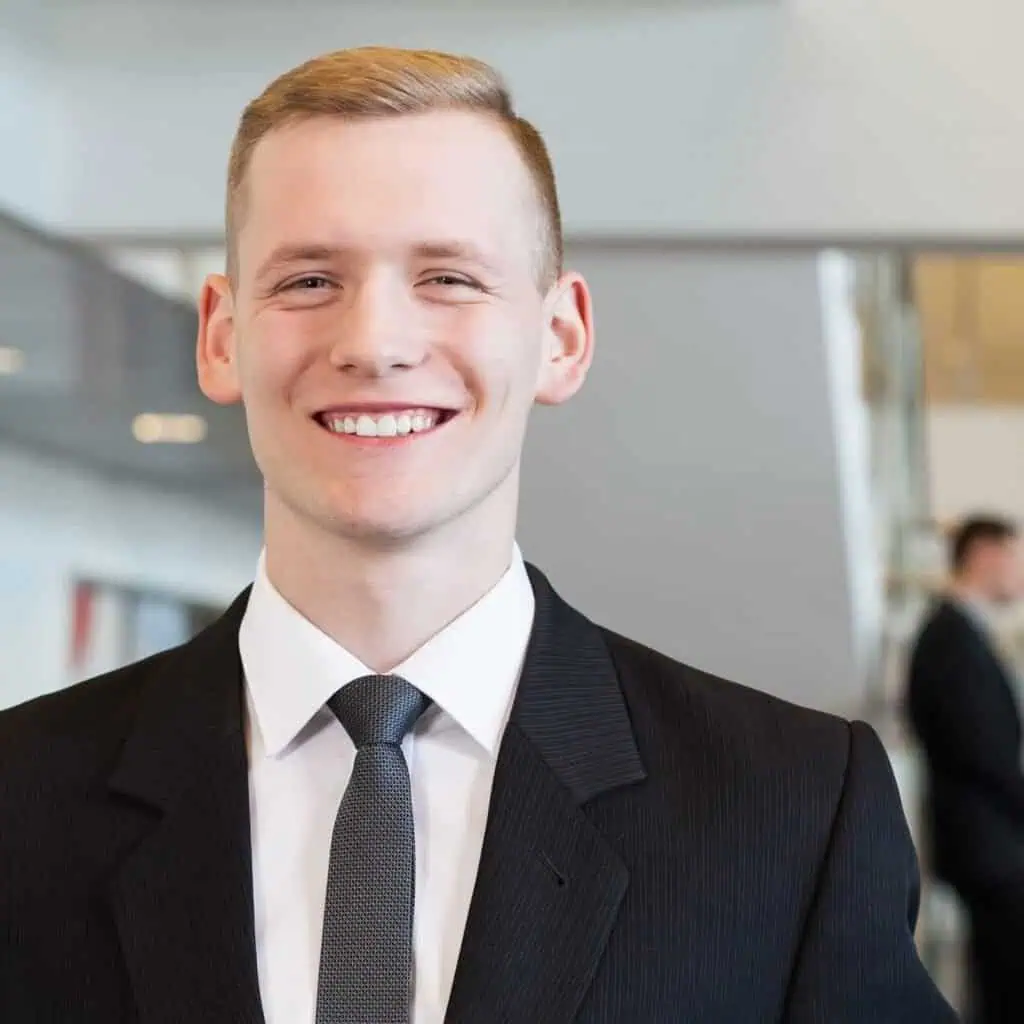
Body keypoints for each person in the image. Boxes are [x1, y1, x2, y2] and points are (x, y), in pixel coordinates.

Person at [0, 47, 956, 1024]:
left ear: (561, 336)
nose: (373, 341)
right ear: (219, 336)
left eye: (448, 276)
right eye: (308, 281)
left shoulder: (784, 807)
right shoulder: (20, 799)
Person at [908, 516, 1024, 1024]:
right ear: (983, 554)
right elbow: (984, 753)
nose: (1020, 574)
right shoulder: (950, 640)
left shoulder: (960, 635)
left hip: (988, 844)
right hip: (989, 847)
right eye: (1016, 558)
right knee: (1007, 988)